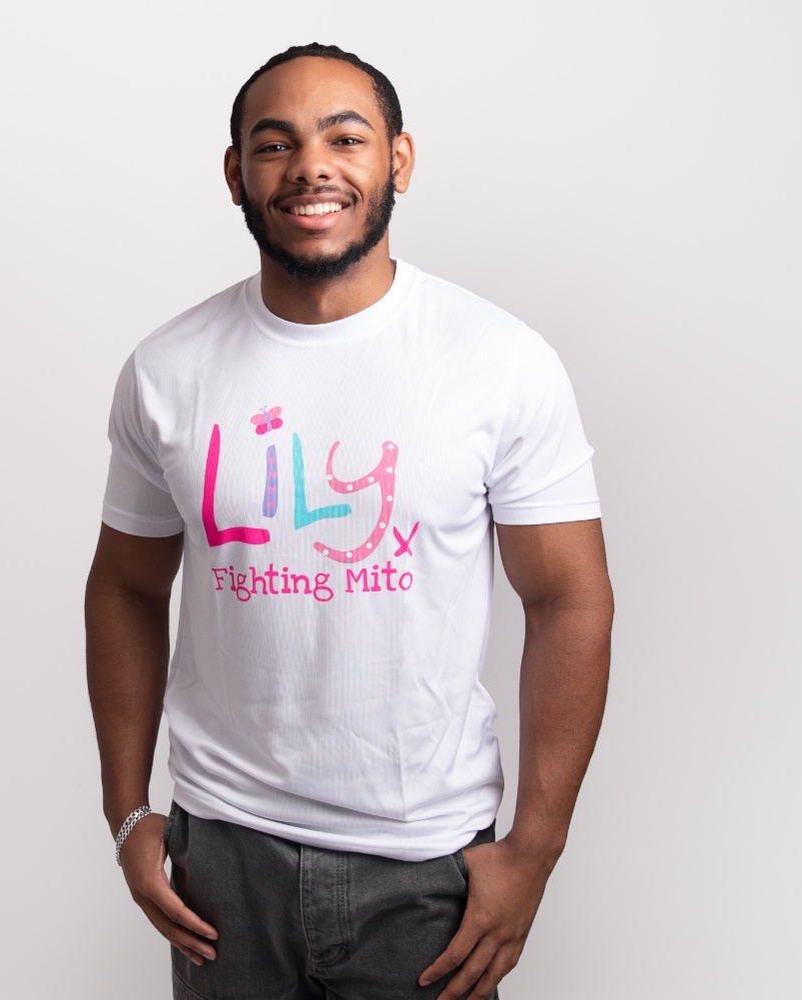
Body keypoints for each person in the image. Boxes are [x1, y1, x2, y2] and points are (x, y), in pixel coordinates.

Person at [85, 42, 614, 1000]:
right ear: (236, 174)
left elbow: (570, 598)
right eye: (274, 143)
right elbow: (125, 584)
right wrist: (129, 813)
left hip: (423, 870)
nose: (310, 168)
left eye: (345, 137)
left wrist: (533, 849)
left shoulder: (499, 361)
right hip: (222, 867)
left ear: (398, 162)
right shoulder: (169, 368)